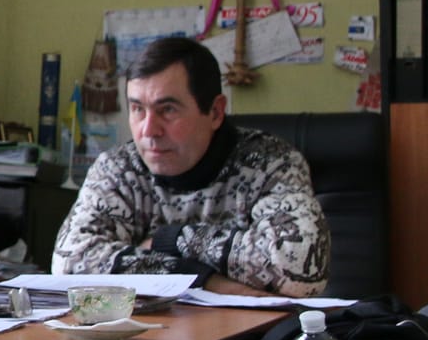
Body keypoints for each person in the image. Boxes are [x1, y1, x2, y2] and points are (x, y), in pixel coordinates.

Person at [51, 36, 328, 296]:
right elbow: (69, 265)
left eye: (168, 110)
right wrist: (203, 279)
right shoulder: (118, 168)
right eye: (137, 109)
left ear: (216, 112)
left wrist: (168, 240)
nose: (148, 130)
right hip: (148, 337)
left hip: (248, 338)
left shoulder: (271, 162)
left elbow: (301, 265)